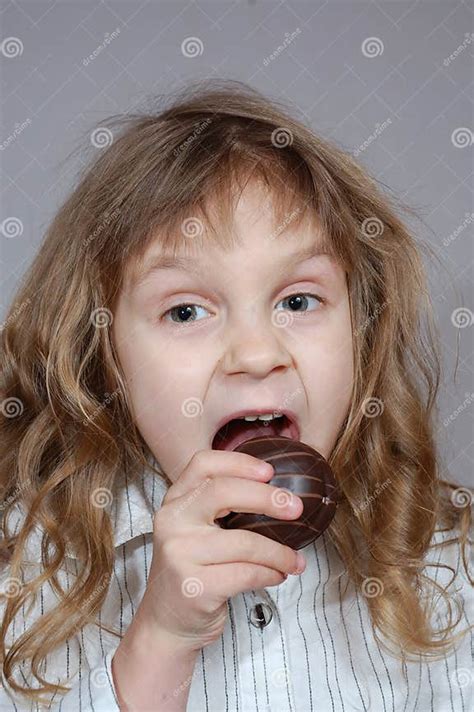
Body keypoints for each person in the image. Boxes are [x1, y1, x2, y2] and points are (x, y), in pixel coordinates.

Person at [0, 80, 471, 711]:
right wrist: (159, 642)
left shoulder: (449, 563)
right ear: (104, 355)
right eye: (188, 310)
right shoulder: (28, 577)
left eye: (298, 301)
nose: (256, 353)